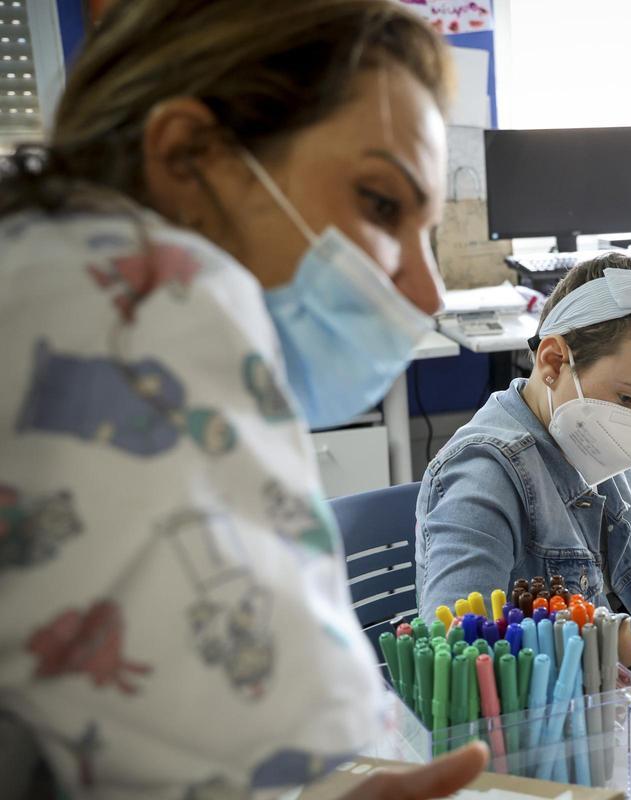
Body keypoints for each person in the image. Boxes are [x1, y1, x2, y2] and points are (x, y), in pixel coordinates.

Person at [0, 1, 489, 796]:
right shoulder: (127, 309)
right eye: (379, 204)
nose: (429, 293)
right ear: (189, 156)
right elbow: (280, 740)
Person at [416, 254, 631, 669]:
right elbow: (459, 658)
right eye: (627, 398)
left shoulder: (598, 456)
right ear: (553, 361)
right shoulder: (483, 476)